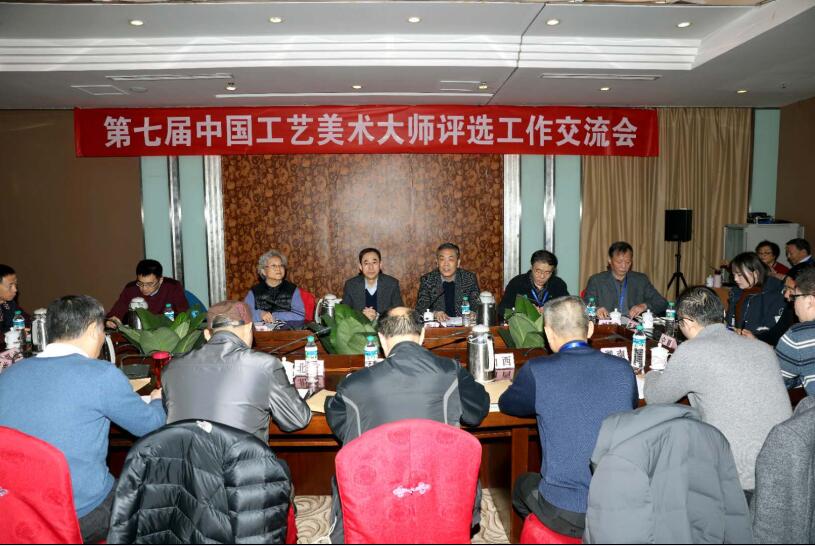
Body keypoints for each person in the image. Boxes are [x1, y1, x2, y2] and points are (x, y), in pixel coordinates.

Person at [0, 295, 165, 543]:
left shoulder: (9, 375)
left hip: (14, 511)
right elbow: (152, 426)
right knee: (157, 495)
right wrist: (158, 399)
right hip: (81, 515)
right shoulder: (101, 375)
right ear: (91, 330)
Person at [325, 307, 490, 542]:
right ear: (422, 335)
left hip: (377, 495)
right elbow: (476, 413)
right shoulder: (450, 371)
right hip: (440, 490)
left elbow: (342, 428)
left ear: (381, 339)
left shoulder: (354, 384)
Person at [499, 296, 637, 538]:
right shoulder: (623, 369)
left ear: (547, 333)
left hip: (566, 512)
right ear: (590, 329)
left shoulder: (538, 370)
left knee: (522, 485)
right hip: (618, 505)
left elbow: (507, 404)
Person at [644, 286, 792, 496]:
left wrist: (652, 373)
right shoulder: (763, 349)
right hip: (785, 466)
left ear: (687, 322)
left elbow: (655, 398)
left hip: (739, 478)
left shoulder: (692, 351)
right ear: (722, 313)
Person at [162, 300, 311, 442]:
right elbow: (297, 419)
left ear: (207, 334)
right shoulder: (264, 365)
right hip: (241, 460)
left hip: (185, 460)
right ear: (249, 328)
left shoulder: (171, 369)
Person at [583, 241, 667, 319]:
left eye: (628, 262)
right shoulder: (597, 281)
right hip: (607, 324)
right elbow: (584, 305)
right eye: (619, 262)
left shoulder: (641, 280)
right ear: (609, 260)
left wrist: (644, 306)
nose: (624, 266)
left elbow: (662, 302)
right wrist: (596, 309)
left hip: (633, 325)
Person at [106, 259, 189, 325]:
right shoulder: (131, 289)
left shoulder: (173, 287)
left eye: (149, 284)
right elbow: (115, 313)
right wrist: (111, 321)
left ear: (160, 280)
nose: (144, 288)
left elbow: (184, 315)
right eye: (140, 283)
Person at [414, 242, 481, 322]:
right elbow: (420, 309)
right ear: (437, 263)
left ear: (458, 263)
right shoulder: (427, 280)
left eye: (450, 259)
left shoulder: (469, 278)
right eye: (442, 259)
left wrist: (473, 313)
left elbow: (477, 305)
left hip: (463, 326)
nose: (446, 264)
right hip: (437, 327)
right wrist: (434, 314)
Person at [726, 252, 787, 337]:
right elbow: (730, 322)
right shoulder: (736, 292)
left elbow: (775, 331)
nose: (735, 279)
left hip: (761, 342)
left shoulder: (775, 293)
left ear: (755, 273)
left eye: (739, 275)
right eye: (734, 275)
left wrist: (755, 338)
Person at [776, 266, 815, 396]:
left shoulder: (798, 336)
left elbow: (778, 381)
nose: (792, 303)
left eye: (795, 297)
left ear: (809, 301)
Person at [498, 250, 568, 316]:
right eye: (538, 271)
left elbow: (568, 309)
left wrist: (550, 311)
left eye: (547, 272)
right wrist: (525, 311)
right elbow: (502, 310)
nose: (542, 276)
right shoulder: (517, 283)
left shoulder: (558, 284)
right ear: (531, 268)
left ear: (552, 272)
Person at [341, 247, 403, 321]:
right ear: (360, 266)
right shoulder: (351, 285)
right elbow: (344, 313)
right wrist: (361, 316)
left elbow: (400, 313)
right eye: (366, 263)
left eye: (374, 262)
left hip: (384, 327)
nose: (371, 267)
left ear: (380, 265)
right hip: (358, 327)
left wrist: (377, 316)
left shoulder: (392, 284)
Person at [244, 250, 306, 324]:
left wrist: (275, 316)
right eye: (273, 265)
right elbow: (245, 314)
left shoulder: (292, 290)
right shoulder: (254, 291)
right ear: (263, 271)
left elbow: (300, 315)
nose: (278, 268)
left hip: (286, 330)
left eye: (281, 265)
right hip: (260, 331)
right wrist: (260, 314)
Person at [0, 263, 26, 334]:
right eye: (10, 286)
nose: (15, 290)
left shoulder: (10, 304)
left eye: (15, 284)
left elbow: (25, 319)